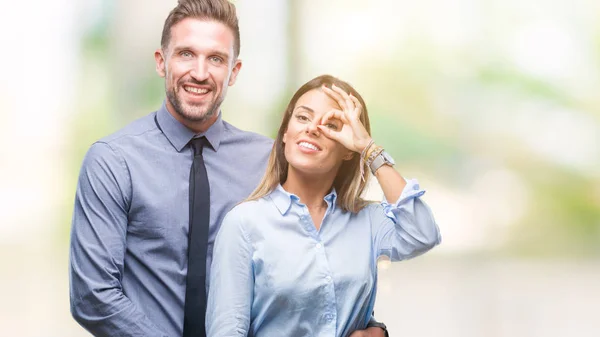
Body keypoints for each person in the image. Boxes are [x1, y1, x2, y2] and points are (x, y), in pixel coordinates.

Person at [69, 0, 389, 336]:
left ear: (234, 71)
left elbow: (323, 258)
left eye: (216, 59)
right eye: (186, 54)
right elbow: (93, 297)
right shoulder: (113, 162)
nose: (200, 72)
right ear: (161, 62)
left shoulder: (270, 161)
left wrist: (370, 327)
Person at [206, 74, 441, 336]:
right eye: (303, 117)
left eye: (331, 124)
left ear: (348, 149)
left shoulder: (368, 219)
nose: (312, 128)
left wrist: (369, 149)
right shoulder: (244, 223)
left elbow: (423, 234)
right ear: (286, 132)